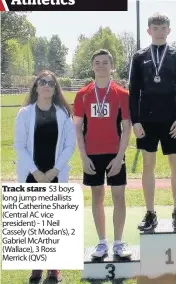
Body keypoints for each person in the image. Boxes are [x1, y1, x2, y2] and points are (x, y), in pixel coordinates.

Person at [129, 13, 176, 231]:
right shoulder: (138, 57)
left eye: (163, 27)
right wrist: (135, 121)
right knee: (148, 165)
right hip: (146, 121)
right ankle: (150, 212)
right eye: (155, 28)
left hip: (173, 121)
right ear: (149, 31)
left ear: (168, 30)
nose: (159, 31)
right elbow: (133, 91)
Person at [14, 70, 76, 283]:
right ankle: (36, 268)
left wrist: (54, 171)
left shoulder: (64, 114)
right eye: (42, 82)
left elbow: (70, 145)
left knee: (55, 222)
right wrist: (36, 172)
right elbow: (19, 147)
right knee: (35, 223)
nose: (47, 85)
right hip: (32, 175)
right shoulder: (24, 113)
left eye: (51, 83)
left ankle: (54, 269)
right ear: (36, 87)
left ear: (55, 88)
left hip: (56, 175)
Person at [73, 49, 132, 259]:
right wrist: (83, 156)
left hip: (115, 154)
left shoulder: (122, 94)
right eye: (97, 62)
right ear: (92, 66)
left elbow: (127, 128)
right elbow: (77, 128)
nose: (101, 66)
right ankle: (101, 242)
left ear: (111, 66)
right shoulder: (83, 94)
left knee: (119, 197)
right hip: (91, 155)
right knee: (97, 197)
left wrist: (119, 157)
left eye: (105, 62)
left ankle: (118, 242)